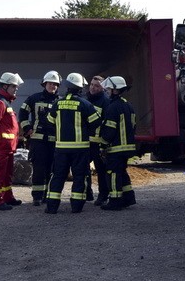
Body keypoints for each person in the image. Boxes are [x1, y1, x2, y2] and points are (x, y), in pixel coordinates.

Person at [43, 73, 99, 214]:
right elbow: (96, 123)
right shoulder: (85, 104)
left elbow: (49, 123)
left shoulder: (57, 104)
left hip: (61, 148)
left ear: (67, 86)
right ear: (80, 88)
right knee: (80, 177)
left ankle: (52, 207)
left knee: (57, 176)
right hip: (80, 149)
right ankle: (76, 206)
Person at [18, 71, 61, 206]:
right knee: (39, 168)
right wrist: (27, 128)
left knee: (51, 169)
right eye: (50, 83)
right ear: (44, 84)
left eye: (55, 84)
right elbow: (22, 113)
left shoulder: (61, 101)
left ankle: (47, 195)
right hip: (38, 140)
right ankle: (37, 196)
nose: (52, 86)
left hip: (54, 141)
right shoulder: (34, 98)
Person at [0, 72, 24, 211]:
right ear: (5, 86)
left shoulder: (5, 101)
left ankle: (7, 197)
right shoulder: (0, 102)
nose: (16, 89)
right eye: (14, 87)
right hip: (1, 145)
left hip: (7, 146)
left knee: (7, 173)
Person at [98, 76, 137, 211]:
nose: (107, 91)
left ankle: (115, 200)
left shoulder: (112, 107)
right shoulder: (128, 105)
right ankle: (128, 197)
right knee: (121, 172)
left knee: (112, 173)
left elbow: (109, 131)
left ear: (115, 90)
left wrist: (102, 145)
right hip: (128, 147)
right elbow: (133, 126)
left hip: (116, 148)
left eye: (108, 89)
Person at [86, 74, 111, 206]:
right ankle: (87, 192)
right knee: (83, 168)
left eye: (96, 86)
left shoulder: (105, 101)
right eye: (91, 85)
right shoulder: (85, 99)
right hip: (85, 141)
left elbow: (106, 123)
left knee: (101, 170)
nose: (93, 88)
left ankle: (103, 195)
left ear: (103, 88)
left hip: (98, 142)